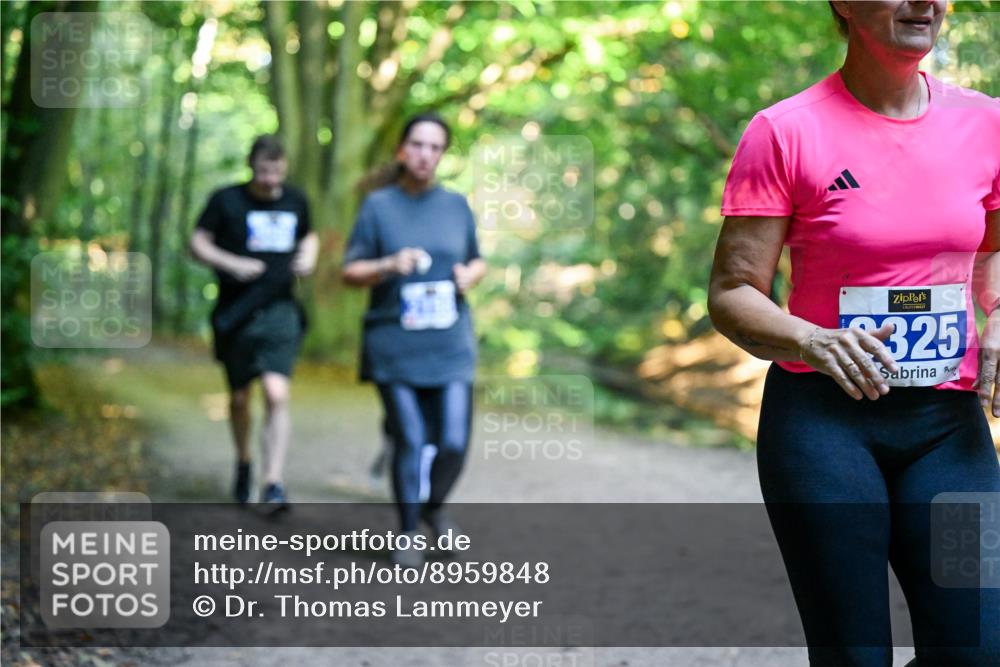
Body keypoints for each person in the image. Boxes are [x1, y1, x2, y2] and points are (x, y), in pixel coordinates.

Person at [708, 2, 999, 665]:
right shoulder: (784, 131)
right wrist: (812, 338)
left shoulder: (987, 124)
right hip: (824, 428)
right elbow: (731, 293)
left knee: (978, 647)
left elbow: (991, 252)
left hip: (948, 430)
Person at [342, 113, 485, 567]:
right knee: (410, 437)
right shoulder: (378, 207)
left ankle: (433, 509)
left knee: (455, 442)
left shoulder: (456, 206)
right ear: (402, 150)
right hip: (394, 342)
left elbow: (477, 261)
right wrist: (388, 265)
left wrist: (469, 275)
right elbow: (349, 271)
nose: (426, 154)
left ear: (442, 154)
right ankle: (407, 532)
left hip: (449, 343)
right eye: (418, 145)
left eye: (435, 147)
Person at [190, 134, 318, 510]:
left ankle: (273, 481)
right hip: (236, 312)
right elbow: (197, 242)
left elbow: (309, 235)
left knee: (278, 393)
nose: (270, 180)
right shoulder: (225, 200)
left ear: (285, 168)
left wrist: (308, 257)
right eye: (263, 171)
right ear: (251, 166)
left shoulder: (296, 200)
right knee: (240, 396)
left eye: (277, 171)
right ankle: (244, 460)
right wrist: (231, 263)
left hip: (281, 309)